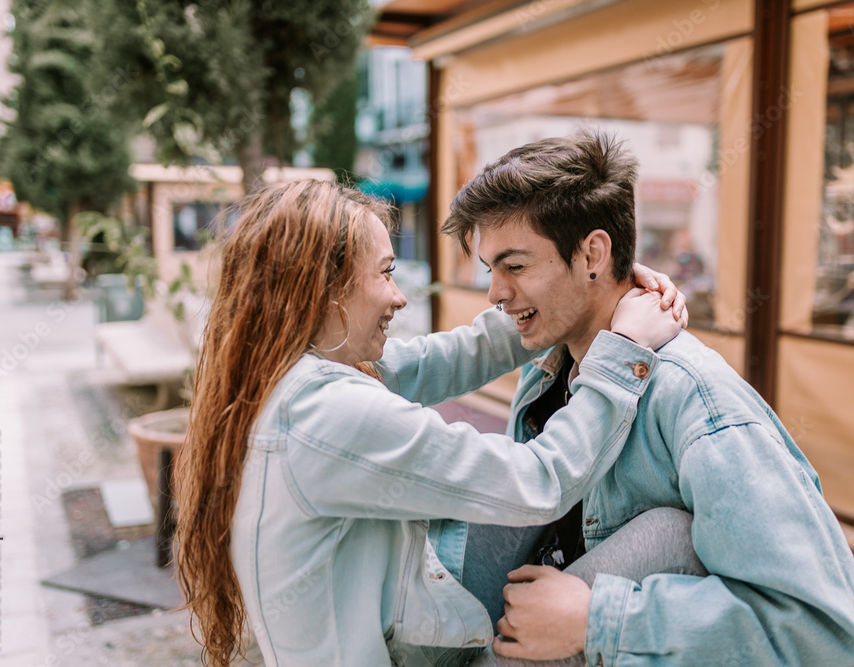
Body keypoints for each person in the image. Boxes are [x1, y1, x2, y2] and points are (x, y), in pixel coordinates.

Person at [172, 178, 687, 666]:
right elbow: (539, 479)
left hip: (404, 628)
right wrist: (626, 353)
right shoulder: (325, 414)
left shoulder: (283, 372)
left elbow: (444, 358)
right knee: (672, 536)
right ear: (322, 291)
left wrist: (570, 290)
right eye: (385, 272)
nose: (399, 296)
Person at [438, 130, 854, 666]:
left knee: (671, 536)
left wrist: (600, 620)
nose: (495, 292)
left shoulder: (697, 401)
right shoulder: (546, 376)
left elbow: (821, 631)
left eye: (515, 266)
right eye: (491, 270)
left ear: (593, 253)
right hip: (500, 635)